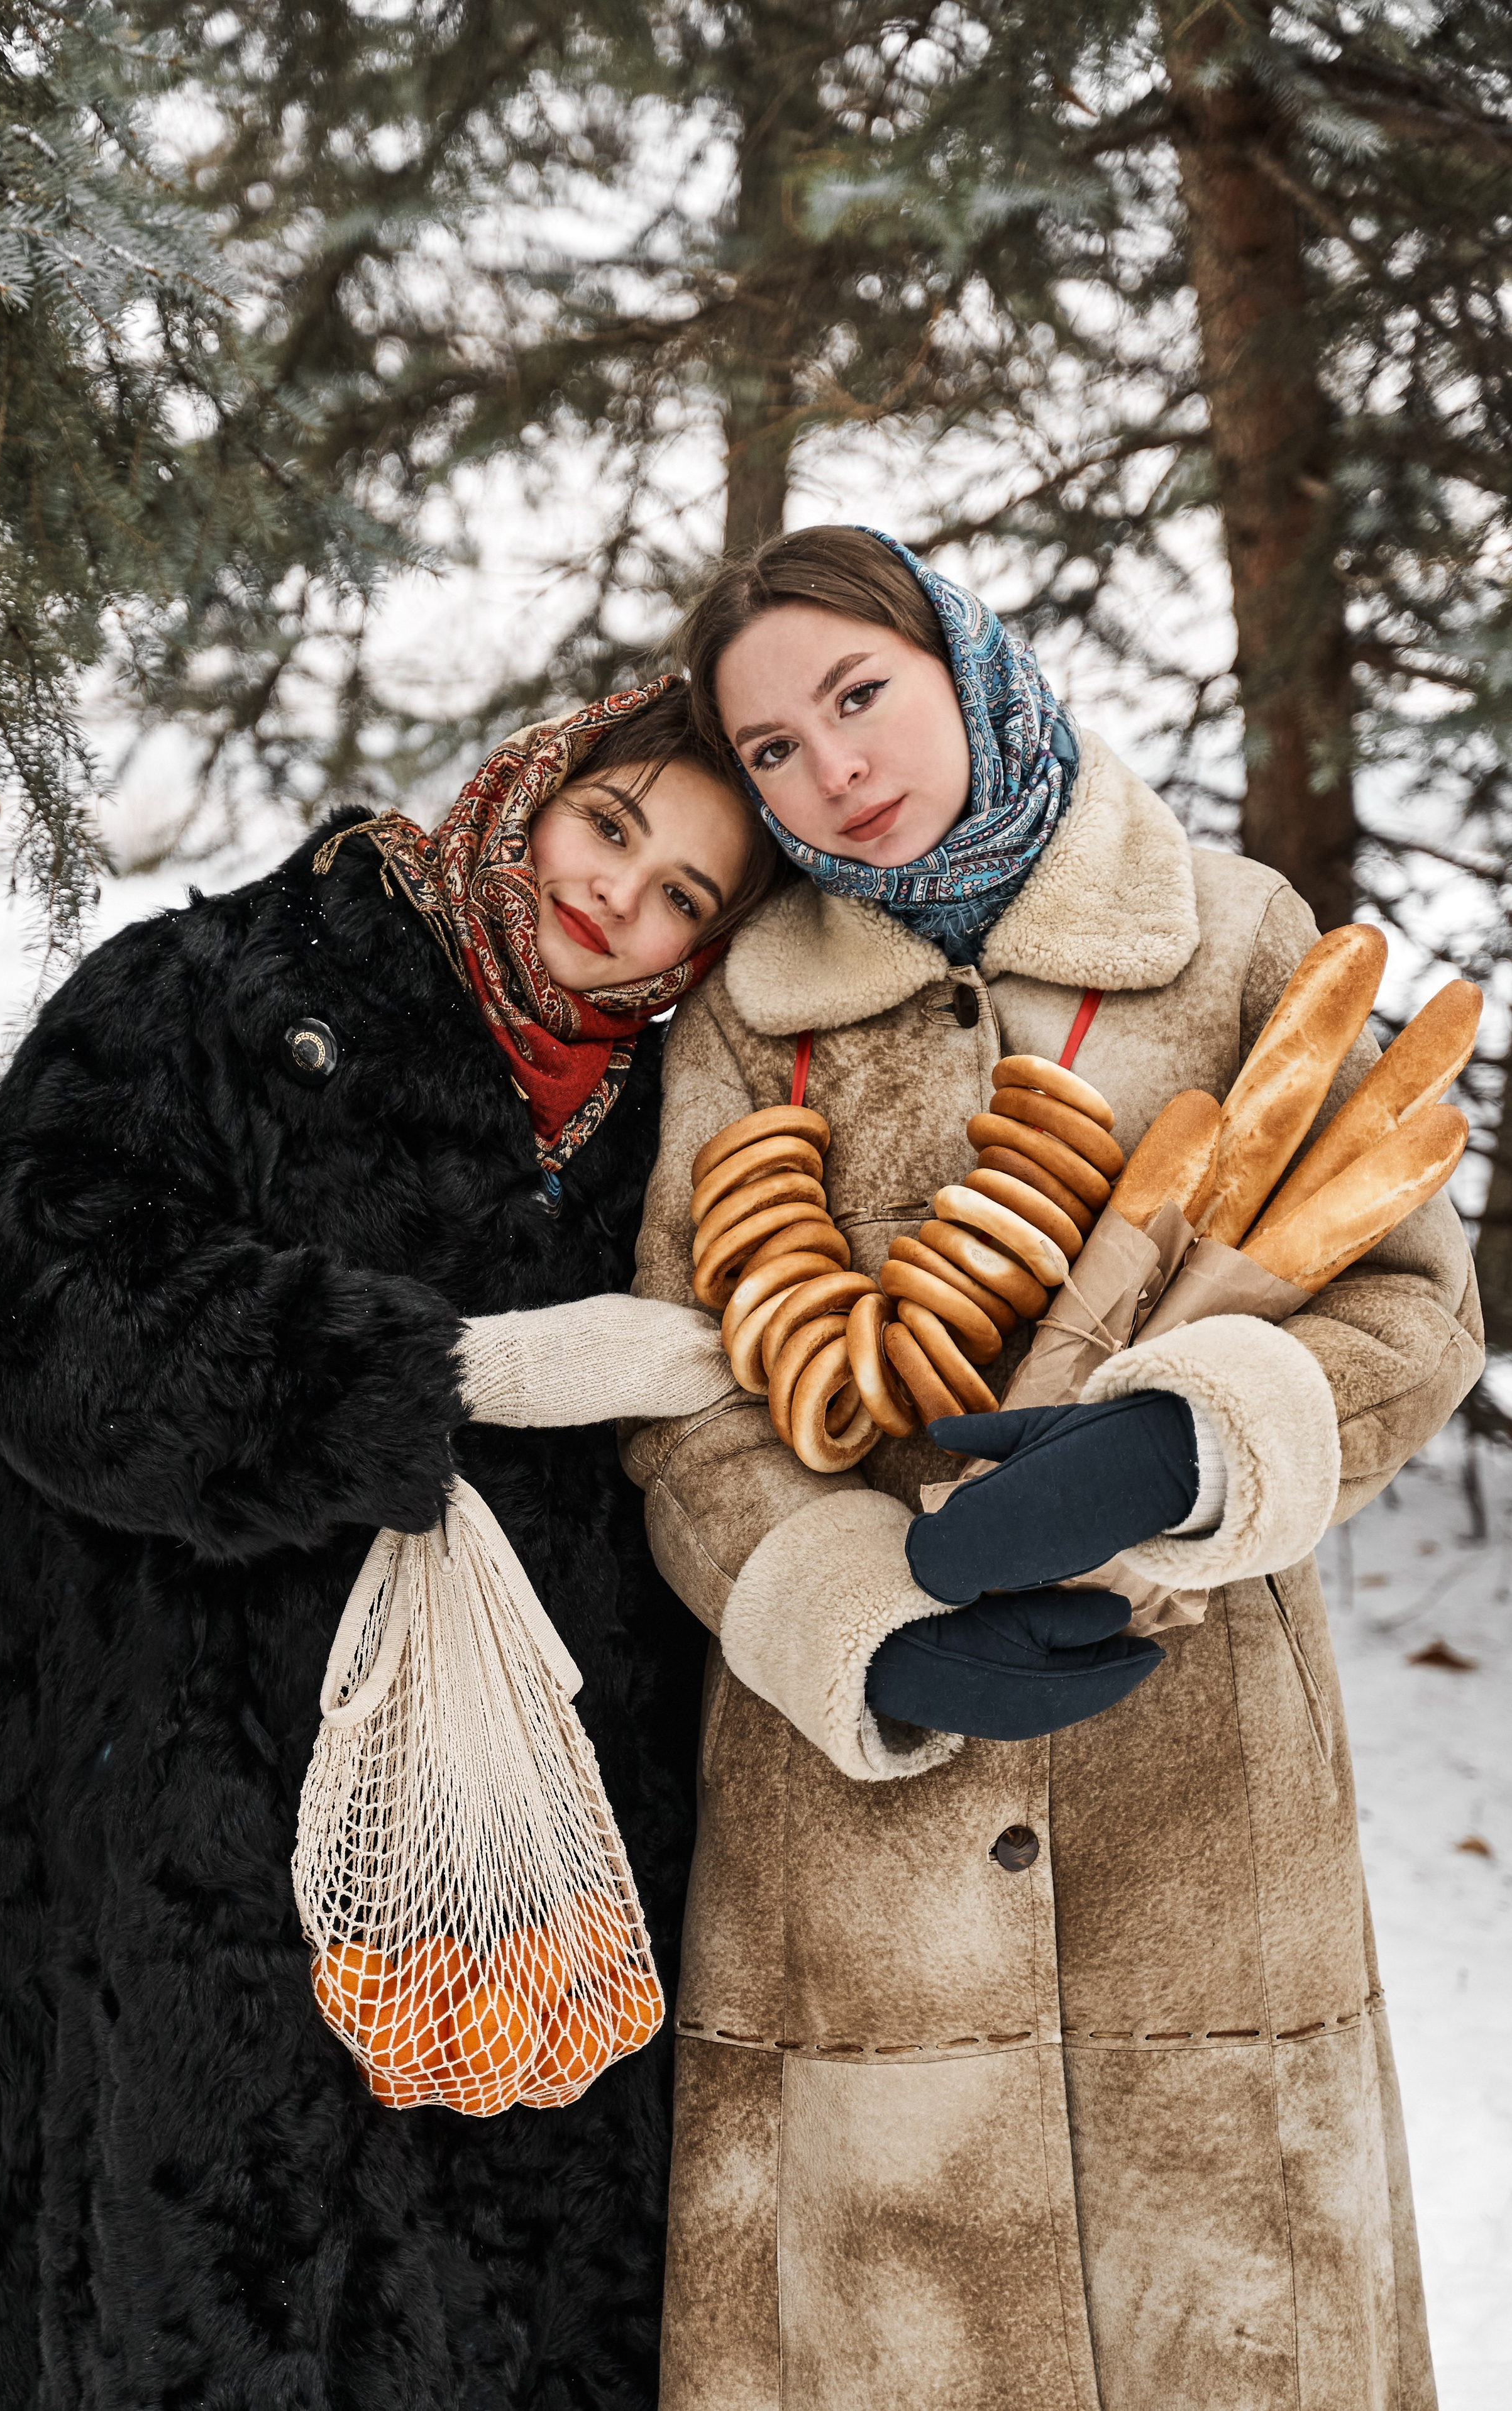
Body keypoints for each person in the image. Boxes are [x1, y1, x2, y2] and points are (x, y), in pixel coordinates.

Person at [623, 529, 1477, 2410]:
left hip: (1203, 1821)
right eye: (770, 749)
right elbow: (683, 1403)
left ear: (961, 658)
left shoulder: (1233, 934)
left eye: (858, 693)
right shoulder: (744, 1021)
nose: (832, 766)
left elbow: (1417, 1312)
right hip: (858, 1861)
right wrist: (855, 1623)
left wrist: (1187, 1446)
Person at [0, 677, 781, 2411]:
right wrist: (438, 1374)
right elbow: (41, 1316)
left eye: (687, 893)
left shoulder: (683, 1119)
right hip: (192, 1881)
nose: (619, 901)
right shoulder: (213, 990)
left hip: (534, 1917)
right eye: (611, 828)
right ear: (534, 782)